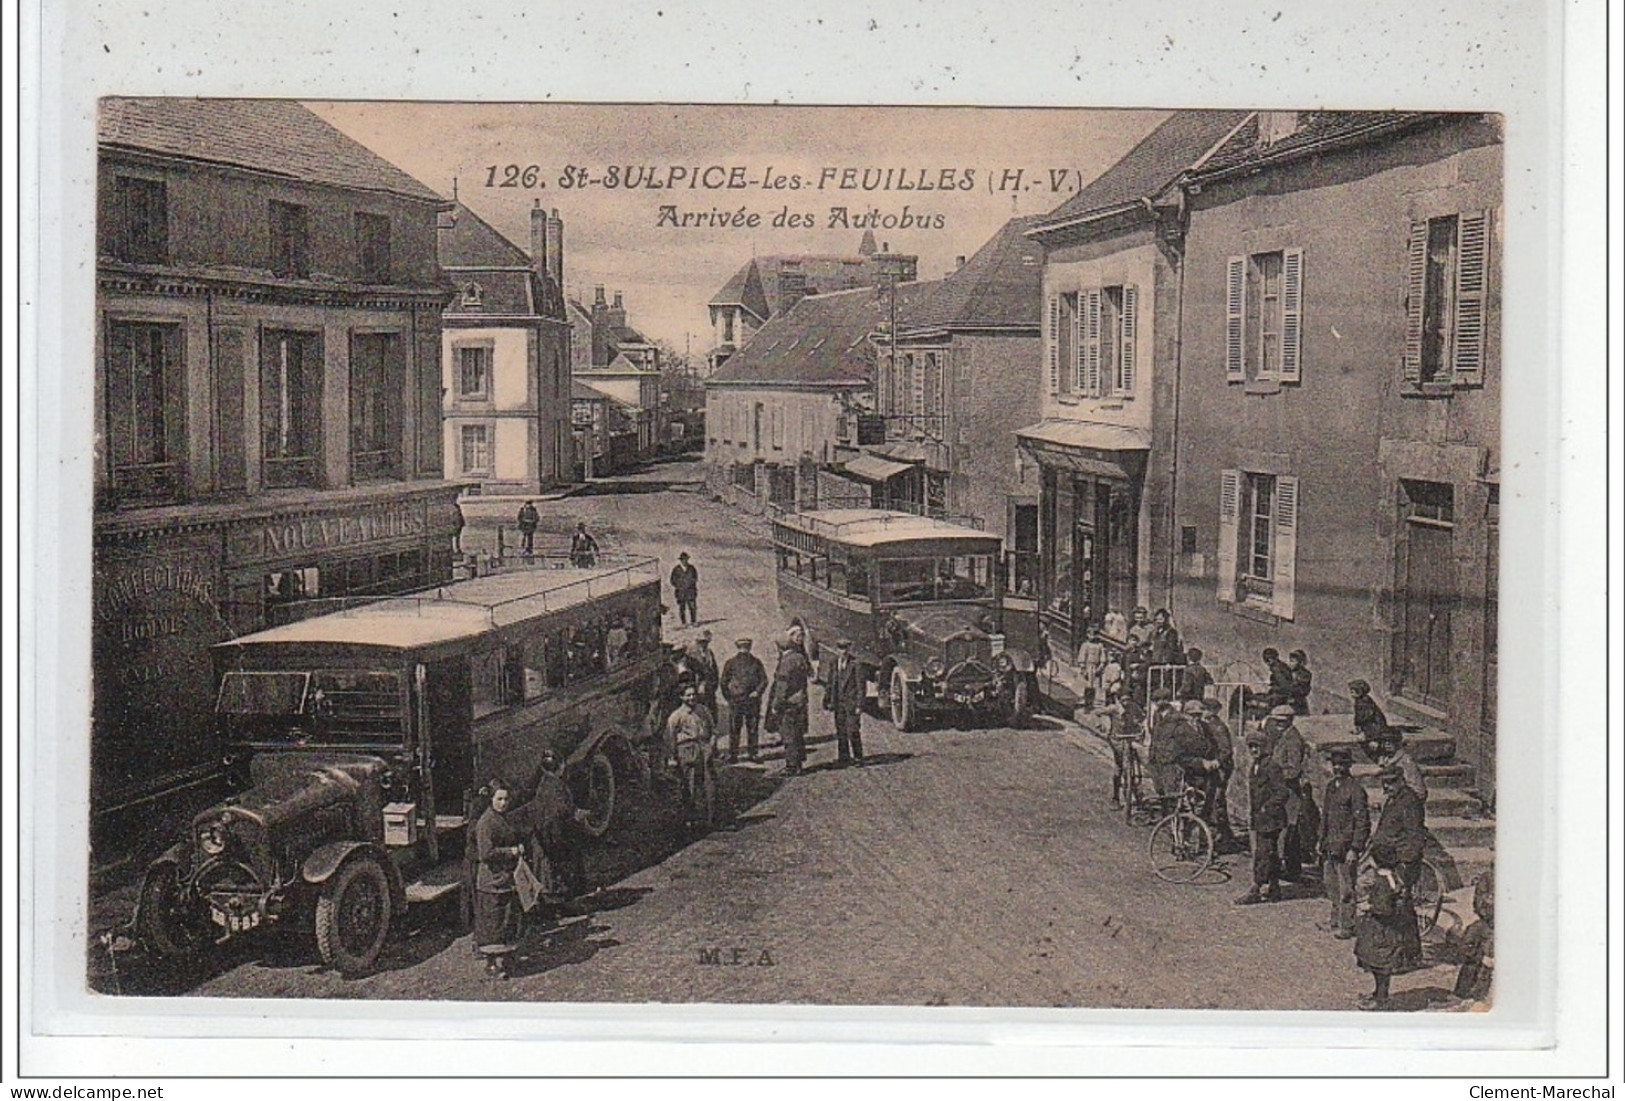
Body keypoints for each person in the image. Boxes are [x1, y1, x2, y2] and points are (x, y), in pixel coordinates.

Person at [528, 750, 594, 908]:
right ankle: (565, 903)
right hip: (558, 838)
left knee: (551, 873)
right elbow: (562, 813)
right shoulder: (557, 787)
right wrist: (577, 815)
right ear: (561, 766)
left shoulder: (544, 785)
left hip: (545, 836)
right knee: (564, 872)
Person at [473, 779, 525, 978]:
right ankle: (492, 964)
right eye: (499, 799)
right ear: (491, 800)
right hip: (491, 881)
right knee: (493, 925)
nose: (503, 803)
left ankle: (508, 957)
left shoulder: (503, 818)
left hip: (506, 879)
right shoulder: (486, 823)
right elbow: (486, 853)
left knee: (507, 920)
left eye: (506, 799)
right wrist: (510, 851)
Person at [1355, 853, 1420, 1010]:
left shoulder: (1381, 881)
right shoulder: (1394, 877)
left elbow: (1384, 908)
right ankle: (1379, 993)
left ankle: (1381, 998)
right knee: (1380, 964)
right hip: (1390, 929)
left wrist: (1369, 907)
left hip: (1381, 929)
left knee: (1380, 964)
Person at [1319, 747, 1371, 940]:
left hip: (1346, 847)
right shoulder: (1332, 787)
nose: (1338, 768)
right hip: (1330, 845)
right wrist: (1321, 839)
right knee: (1330, 885)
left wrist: (1355, 848)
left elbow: (1362, 822)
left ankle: (1347, 925)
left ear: (1349, 766)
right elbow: (1325, 816)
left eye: (1342, 764)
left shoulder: (1355, 790)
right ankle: (1334, 920)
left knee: (1346, 888)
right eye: (1335, 764)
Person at [1236, 730, 1291, 905]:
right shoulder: (1256, 766)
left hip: (1270, 819)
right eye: (1250, 746)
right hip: (1261, 818)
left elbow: (1282, 792)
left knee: (1262, 854)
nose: (1253, 750)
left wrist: (1267, 807)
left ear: (1264, 747)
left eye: (1256, 746)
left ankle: (1256, 888)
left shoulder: (1271, 766)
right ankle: (1274, 888)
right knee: (1270, 853)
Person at [1263, 703, 1316, 881]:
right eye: (1276, 721)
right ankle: (1290, 868)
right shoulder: (1284, 736)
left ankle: (1293, 870)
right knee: (1286, 831)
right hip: (1283, 791)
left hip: (1290, 793)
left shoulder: (1293, 739)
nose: (1278, 724)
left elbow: (1293, 770)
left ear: (1289, 721)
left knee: (1290, 831)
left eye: (1281, 721)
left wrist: (1274, 775)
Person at [1370, 762, 1429, 897]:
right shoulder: (1393, 800)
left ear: (1401, 781)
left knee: (1398, 900)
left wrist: (1404, 864)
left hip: (1398, 860)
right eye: (1384, 782)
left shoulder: (1409, 801)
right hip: (1386, 857)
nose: (1386, 786)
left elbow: (1414, 834)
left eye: (1391, 782)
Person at [665, 685, 718, 830]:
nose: (692, 698)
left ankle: (710, 819)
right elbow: (670, 738)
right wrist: (672, 757)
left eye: (693, 694)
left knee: (709, 784)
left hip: (704, 748)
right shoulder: (676, 716)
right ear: (681, 697)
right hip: (687, 750)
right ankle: (691, 820)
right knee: (690, 785)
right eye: (688, 695)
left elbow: (713, 730)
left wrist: (711, 746)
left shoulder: (703, 710)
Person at [1197, 697, 1241, 850]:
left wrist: (1218, 761)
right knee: (1213, 801)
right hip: (1210, 769)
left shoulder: (1218, 727)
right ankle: (1222, 835)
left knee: (1217, 800)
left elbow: (1226, 750)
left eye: (1206, 710)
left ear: (1214, 711)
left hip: (1221, 769)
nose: (1203, 713)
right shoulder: (1204, 725)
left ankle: (1223, 837)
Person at [769, 624, 813, 776]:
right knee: (798, 733)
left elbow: (782, 686)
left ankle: (792, 766)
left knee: (788, 735)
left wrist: (776, 705)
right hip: (801, 701)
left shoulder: (787, 661)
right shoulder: (800, 658)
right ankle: (799, 763)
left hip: (789, 703)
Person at [721, 638, 768, 763]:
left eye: (746, 648)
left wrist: (757, 692)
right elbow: (723, 682)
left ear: (750, 648)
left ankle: (753, 753)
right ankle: (733, 755)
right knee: (734, 728)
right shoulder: (730, 663)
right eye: (742, 648)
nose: (744, 650)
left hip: (752, 701)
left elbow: (763, 680)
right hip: (736, 701)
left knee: (752, 728)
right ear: (738, 648)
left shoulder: (756, 662)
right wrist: (729, 698)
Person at [1453, 868, 1494, 1004]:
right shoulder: (1488, 878)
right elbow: (1480, 904)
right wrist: (1482, 957)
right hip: (1489, 923)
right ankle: (1466, 992)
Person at [823, 638, 866, 767]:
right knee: (840, 731)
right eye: (840, 648)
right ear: (837, 649)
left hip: (851, 704)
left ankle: (858, 757)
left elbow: (861, 687)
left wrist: (859, 705)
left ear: (849, 649)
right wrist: (828, 700)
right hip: (838, 703)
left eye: (845, 648)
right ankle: (844, 757)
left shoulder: (856, 664)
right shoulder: (833, 662)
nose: (843, 651)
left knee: (853, 730)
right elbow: (830, 683)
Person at [1361, 727, 1429, 803]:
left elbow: (1418, 790)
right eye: (1384, 741)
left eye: (1391, 741)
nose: (1387, 744)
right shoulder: (1385, 759)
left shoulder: (1406, 761)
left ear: (1398, 743)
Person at [687, 629, 720, 722]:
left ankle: (713, 729)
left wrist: (713, 684)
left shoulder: (709, 653)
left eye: (706, 642)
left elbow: (714, 670)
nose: (704, 644)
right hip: (696, 688)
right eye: (701, 642)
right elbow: (689, 672)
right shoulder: (691, 654)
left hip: (709, 687)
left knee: (711, 708)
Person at [1076, 626, 1106, 711]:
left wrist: (1100, 666)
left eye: (1095, 634)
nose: (1093, 637)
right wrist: (1083, 667)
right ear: (1088, 635)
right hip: (1088, 666)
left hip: (1096, 667)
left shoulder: (1100, 645)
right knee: (1087, 685)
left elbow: (1102, 657)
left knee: (1095, 685)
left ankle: (1092, 701)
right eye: (1091, 634)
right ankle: (1086, 701)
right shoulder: (1085, 645)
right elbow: (1082, 656)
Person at [670, 551, 699, 626]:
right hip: (681, 592)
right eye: (682, 560)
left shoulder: (692, 568)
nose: (684, 561)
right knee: (682, 608)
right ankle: (683, 622)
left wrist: (690, 584)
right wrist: (679, 586)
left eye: (685, 559)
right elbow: (672, 580)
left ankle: (693, 621)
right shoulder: (676, 569)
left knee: (692, 607)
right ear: (680, 560)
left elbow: (695, 578)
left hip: (690, 591)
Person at [1287, 649, 1313, 715]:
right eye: (1290, 661)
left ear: (1300, 662)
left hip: (1299, 703)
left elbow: (1303, 690)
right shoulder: (1287, 672)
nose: (1290, 663)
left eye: (1293, 661)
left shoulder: (1305, 674)